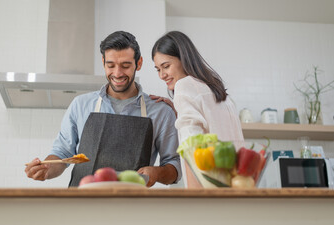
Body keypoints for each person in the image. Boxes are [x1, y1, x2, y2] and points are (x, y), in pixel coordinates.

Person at [25, 31, 181, 187]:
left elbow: (174, 165)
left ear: (138, 63)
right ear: (103, 62)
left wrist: (157, 173)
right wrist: (46, 169)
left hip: (132, 207)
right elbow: (62, 153)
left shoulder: (161, 111)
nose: (117, 73)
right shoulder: (81, 105)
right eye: (110, 65)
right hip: (82, 205)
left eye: (125, 65)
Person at [151, 31, 244, 148]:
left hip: (207, 167)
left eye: (166, 66)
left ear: (183, 58)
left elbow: (192, 149)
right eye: (158, 69)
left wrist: (181, 100)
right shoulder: (219, 92)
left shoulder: (183, 85)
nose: (162, 75)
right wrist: (179, 111)